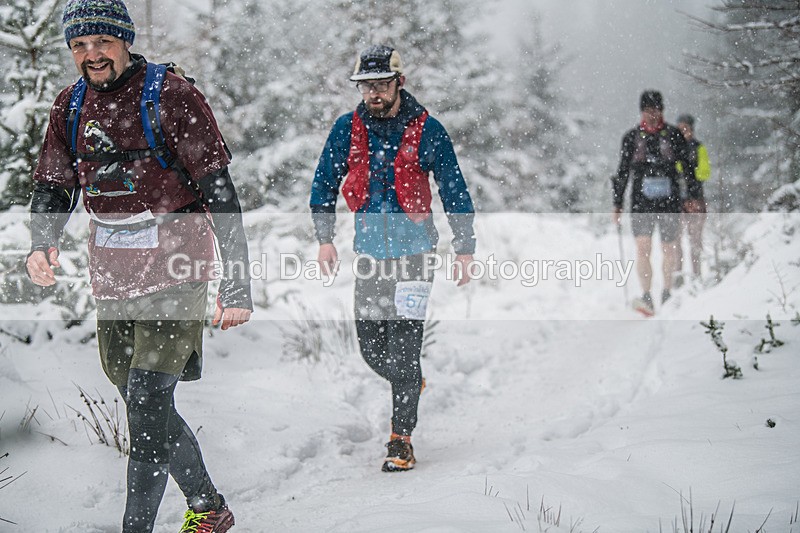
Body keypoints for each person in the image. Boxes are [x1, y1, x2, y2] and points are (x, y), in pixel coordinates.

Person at [26, 1, 251, 531]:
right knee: (138, 397)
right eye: (79, 45)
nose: (91, 55)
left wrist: (237, 284)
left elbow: (219, 192)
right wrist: (42, 241)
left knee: (148, 399)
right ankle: (209, 509)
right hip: (113, 274)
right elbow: (54, 184)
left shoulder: (172, 96)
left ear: (124, 40)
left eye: (101, 42)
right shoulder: (70, 106)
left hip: (177, 265)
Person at [310, 45, 476, 472]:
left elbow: (454, 190)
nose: (373, 93)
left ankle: (400, 439)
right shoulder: (347, 129)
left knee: (403, 352)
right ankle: (410, 384)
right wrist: (326, 239)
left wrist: (464, 246)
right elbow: (323, 185)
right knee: (370, 349)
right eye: (366, 86)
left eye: (382, 84)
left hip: (416, 257)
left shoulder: (429, 130)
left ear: (399, 83)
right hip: (369, 257)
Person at [612, 90, 697, 316]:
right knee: (643, 248)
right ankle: (647, 295)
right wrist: (617, 203)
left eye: (656, 110)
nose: (652, 115)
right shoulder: (631, 138)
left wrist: (691, 196)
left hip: (669, 200)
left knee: (668, 248)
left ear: (662, 111)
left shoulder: (673, 135)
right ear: (641, 112)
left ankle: (667, 292)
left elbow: (688, 169)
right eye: (648, 111)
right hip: (641, 201)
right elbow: (622, 172)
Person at [674, 114, 711, 283]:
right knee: (676, 240)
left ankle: (697, 276)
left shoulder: (698, 148)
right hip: (677, 201)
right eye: (679, 129)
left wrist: (687, 170)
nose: (682, 132)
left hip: (695, 199)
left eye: (685, 129)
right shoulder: (673, 149)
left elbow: (704, 173)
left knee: (695, 239)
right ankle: (679, 276)